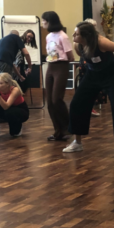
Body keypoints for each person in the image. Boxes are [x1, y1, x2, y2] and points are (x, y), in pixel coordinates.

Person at [65, 22, 114, 156]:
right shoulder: (78, 45)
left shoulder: (102, 42)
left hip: (111, 75)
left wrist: (113, 60)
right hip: (92, 75)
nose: (73, 35)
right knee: (77, 104)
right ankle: (77, 143)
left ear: (86, 36)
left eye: (77, 34)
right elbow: (85, 58)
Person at [42, 11, 74, 142]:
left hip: (61, 66)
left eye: (45, 21)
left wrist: (64, 63)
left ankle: (67, 128)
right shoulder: (49, 36)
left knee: (57, 99)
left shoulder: (63, 36)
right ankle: (57, 131)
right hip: (50, 66)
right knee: (49, 101)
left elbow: (70, 56)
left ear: (51, 22)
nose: (43, 23)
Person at [77, 18, 107, 117]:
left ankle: (93, 106)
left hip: (95, 67)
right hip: (87, 66)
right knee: (86, 87)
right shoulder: (81, 40)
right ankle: (89, 107)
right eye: (93, 27)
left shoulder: (98, 39)